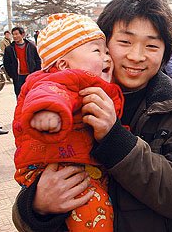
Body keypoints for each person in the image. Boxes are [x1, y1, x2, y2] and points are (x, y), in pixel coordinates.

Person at [12, 0, 172, 231]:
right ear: (103, 44)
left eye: (151, 46)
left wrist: (114, 136)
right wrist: (35, 206)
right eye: (124, 42)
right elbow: (33, 170)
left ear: (165, 53)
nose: (136, 56)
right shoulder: (66, 98)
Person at [13, 13, 123, 231]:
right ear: (63, 63)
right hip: (56, 164)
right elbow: (47, 96)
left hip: (75, 163)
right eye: (97, 51)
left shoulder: (89, 84)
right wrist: (48, 115)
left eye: (107, 51)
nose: (108, 58)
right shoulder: (58, 80)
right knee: (94, 209)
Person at [3, 26, 41, 98]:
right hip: (18, 77)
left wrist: (36, 72)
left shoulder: (31, 46)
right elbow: (6, 63)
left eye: (17, 34)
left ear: (22, 34)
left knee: (31, 96)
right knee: (20, 96)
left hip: (30, 76)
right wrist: (12, 74)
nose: (15, 36)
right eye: (13, 34)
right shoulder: (9, 49)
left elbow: (37, 60)